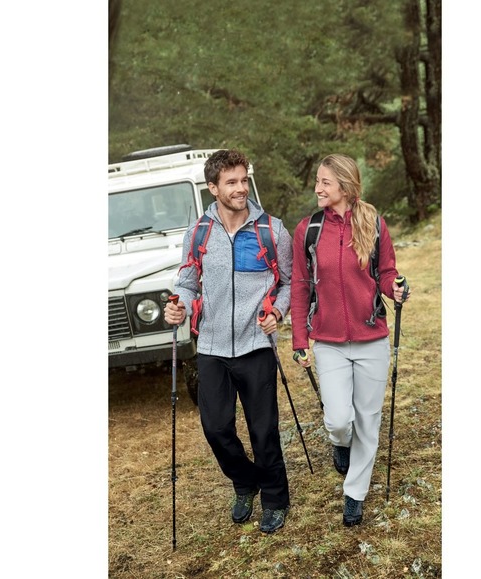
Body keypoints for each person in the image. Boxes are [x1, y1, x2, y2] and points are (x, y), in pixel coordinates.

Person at [163, 149, 293, 534]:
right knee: (216, 428)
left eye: (243, 180)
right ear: (213, 188)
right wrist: (179, 306)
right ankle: (245, 481)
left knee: (263, 430)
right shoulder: (198, 234)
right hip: (212, 347)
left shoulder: (272, 231)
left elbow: (290, 283)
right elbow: (187, 283)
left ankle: (275, 499)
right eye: (231, 182)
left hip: (256, 345)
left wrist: (278, 312)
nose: (240, 188)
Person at [290, 153, 409, 527]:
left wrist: (395, 288)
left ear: (344, 185)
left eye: (324, 182)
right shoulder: (308, 230)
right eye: (317, 181)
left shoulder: (374, 223)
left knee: (368, 421)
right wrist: (299, 339)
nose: (317, 188)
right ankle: (341, 443)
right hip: (328, 340)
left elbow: (386, 272)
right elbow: (300, 286)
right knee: (339, 419)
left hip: (371, 336)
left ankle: (355, 493)